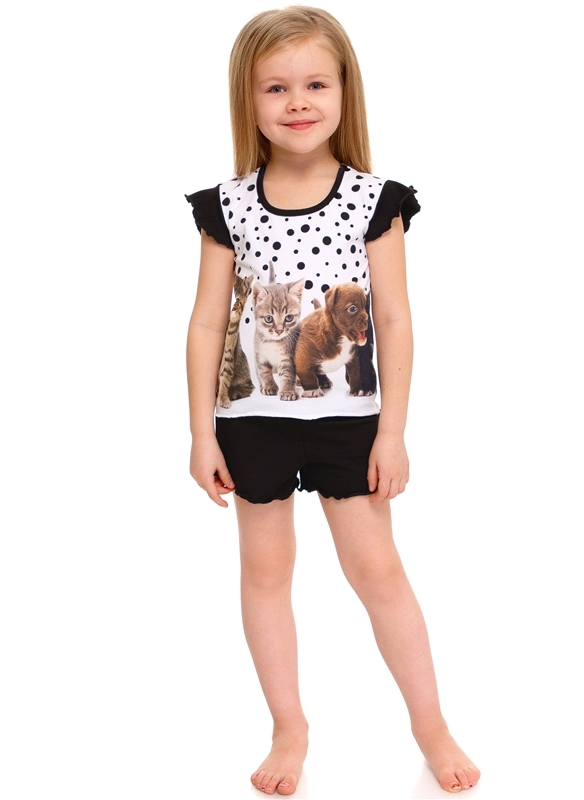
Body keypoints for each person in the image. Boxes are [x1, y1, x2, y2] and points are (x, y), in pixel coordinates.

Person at [184, 6, 480, 795]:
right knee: (264, 572)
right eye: (275, 87)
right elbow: (208, 320)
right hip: (252, 421)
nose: (296, 102)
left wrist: (392, 432)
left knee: (376, 570)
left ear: (344, 91)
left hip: (350, 420)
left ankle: (430, 724)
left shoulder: (374, 200)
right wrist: (201, 434)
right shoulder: (226, 205)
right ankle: (288, 728)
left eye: (315, 84)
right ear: (248, 99)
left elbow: (394, 318)